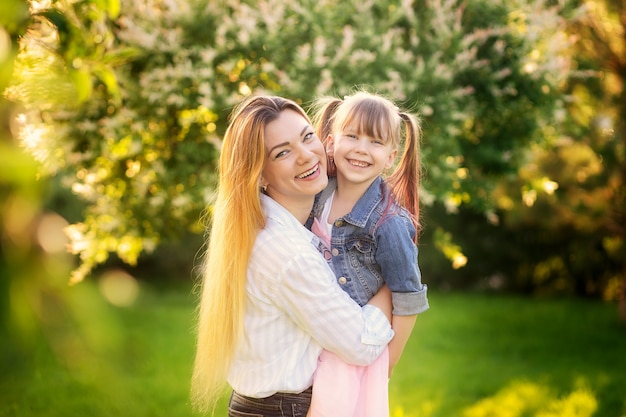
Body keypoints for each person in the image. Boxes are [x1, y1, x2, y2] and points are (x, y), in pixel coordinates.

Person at [190, 95, 395, 417]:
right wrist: (392, 285)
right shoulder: (286, 253)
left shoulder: (279, 229)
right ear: (259, 175)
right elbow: (359, 344)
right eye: (282, 152)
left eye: (307, 136)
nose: (306, 156)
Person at [306, 91, 429, 417]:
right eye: (352, 136)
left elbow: (408, 298)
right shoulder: (316, 197)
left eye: (375, 142)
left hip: (353, 352)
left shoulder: (388, 223)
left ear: (391, 156)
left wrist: (387, 363)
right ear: (331, 143)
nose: (362, 148)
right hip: (315, 335)